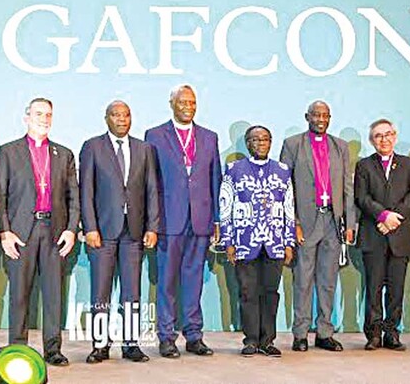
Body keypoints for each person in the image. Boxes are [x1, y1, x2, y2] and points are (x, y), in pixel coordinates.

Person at [0, 98, 79, 367]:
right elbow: (0, 195)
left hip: (53, 231)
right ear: (26, 117)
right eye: (39, 113)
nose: (44, 118)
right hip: (20, 233)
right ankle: (17, 348)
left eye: (49, 114)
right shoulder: (8, 151)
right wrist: (4, 232)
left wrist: (71, 229)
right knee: (20, 294)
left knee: (54, 294)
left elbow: (73, 196)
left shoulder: (63, 154)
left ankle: (52, 349)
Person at [79, 100, 159, 364]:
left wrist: (152, 226)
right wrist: (89, 227)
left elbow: (151, 190)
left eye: (126, 115)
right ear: (106, 118)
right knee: (100, 291)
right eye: (116, 115)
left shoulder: (144, 148)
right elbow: (86, 191)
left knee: (132, 292)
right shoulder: (93, 147)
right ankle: (100, 345)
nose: (122, 120)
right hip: (102, 231)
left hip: (134, 232)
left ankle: (131, 344)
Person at [145, 84, 221, 358]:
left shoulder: (209, 137)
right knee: (166, 281)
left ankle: (194, 335)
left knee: (194, 280)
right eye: (182, 102)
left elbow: (216, 180)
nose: (188, 106)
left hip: (200, 220)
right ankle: (166, 337)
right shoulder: (154, 135)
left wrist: (216, 220)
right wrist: (151, 223)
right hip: (168, 220)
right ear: (172, 104)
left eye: (192, 101)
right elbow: (150, 183)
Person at [279, 100, 355, 352]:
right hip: (305, 222)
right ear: (307, 116)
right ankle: (300, 333)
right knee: (303, 279)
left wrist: (350, 223)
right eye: (316, 115)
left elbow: (347, 187)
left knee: (328, 280)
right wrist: (293, 224)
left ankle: (324, 332)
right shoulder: (292, 144)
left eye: (325, 115)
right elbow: (284, 189)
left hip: (332, 222)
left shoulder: (340, 146)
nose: (321, 119)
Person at [220, 125, 295, 357]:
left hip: (274, 242)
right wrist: (228, 240)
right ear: (247, 143)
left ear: (270, 142)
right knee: (248, 292)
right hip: (244, 241)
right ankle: (251, 339)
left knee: (270, 292)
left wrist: (289, 242)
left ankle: (267, 340)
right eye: (255, 140)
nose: (260, 143)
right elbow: (225, 207)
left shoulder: (282, 170)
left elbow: (289, 208)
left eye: (264, 139)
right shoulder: (234, 170)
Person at [354, 119, 410, 351]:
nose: (384, 139)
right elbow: (361, 198)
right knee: (373, 288)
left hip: (400, 237)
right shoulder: (364, 166)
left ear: (395, 136)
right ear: (371, 141)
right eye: (378, 136)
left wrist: (393, 219)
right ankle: (373, 335)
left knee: (396, 290)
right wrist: (382, 215)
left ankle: (392, 333)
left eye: (388, 134)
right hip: (373, 236)